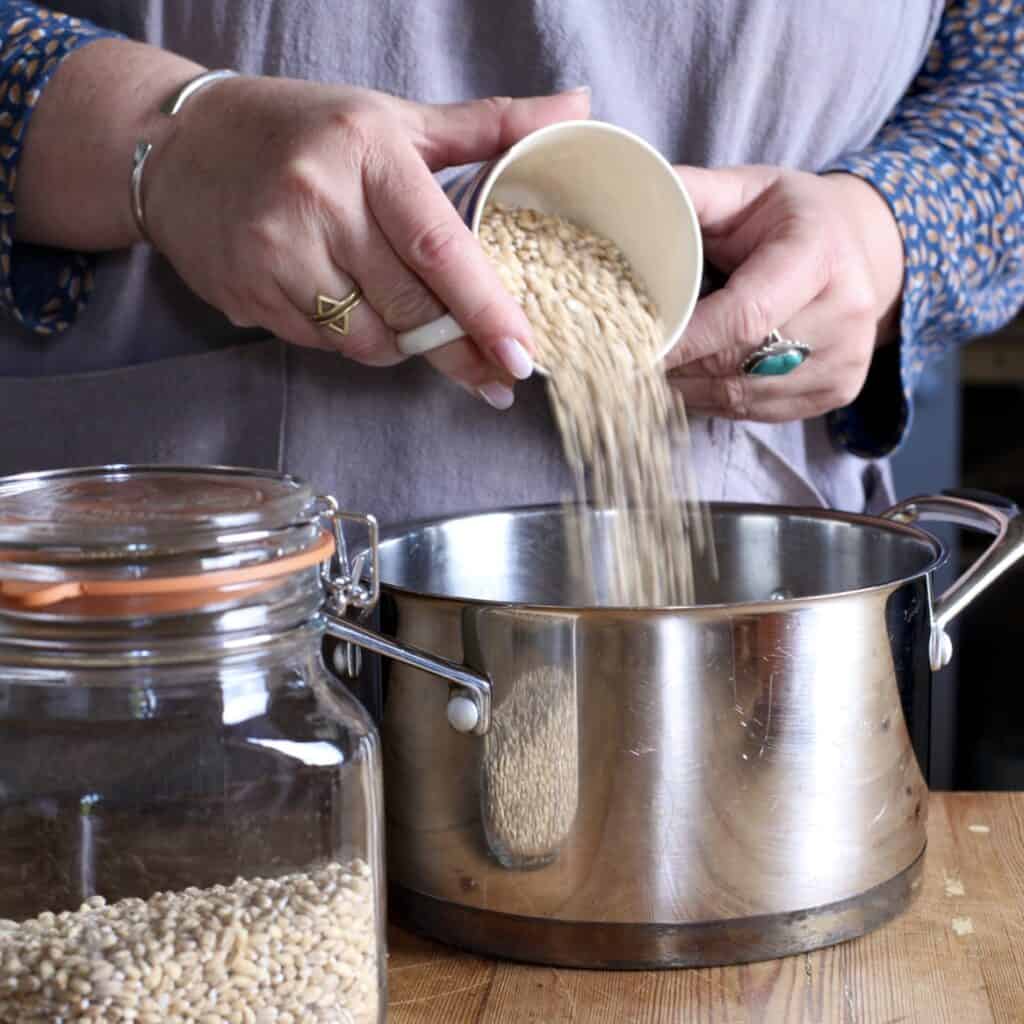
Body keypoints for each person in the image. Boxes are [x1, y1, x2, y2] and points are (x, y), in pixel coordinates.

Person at [0, 0, 1020, 523]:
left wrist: (887, 229)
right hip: (185, 585)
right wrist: (161, 140)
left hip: (739, 559)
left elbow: (1004, 67)